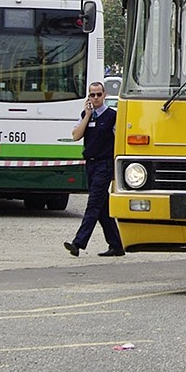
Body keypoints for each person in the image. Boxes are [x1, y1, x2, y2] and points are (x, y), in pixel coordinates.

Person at [64, 81, 124, 257]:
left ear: (104, 95)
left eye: (99, 94)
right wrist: (87, 115)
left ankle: (78, 243)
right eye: (92, 95)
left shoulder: (113, 116)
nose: (96, 98)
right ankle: (116, 245)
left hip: (104, 164)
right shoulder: (86, 115)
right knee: (102, 207)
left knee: (93, 205)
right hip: (90, 164)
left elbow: (119, 140)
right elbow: (76, 136)